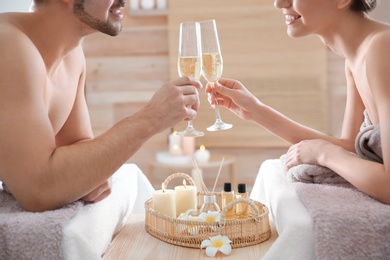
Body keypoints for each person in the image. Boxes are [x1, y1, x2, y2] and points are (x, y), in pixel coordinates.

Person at [0, 0, 202, 212]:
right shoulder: (8, 45)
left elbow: (77, 148)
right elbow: (38, 190)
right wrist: (150, 119)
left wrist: (85, 175)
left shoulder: (72, 55)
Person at [206, 0, 390, 204]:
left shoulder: (382, 48)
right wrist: (255, 111)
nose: (279, 3)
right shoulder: (356, 57)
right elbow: (350, 148)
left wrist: (324, 153)